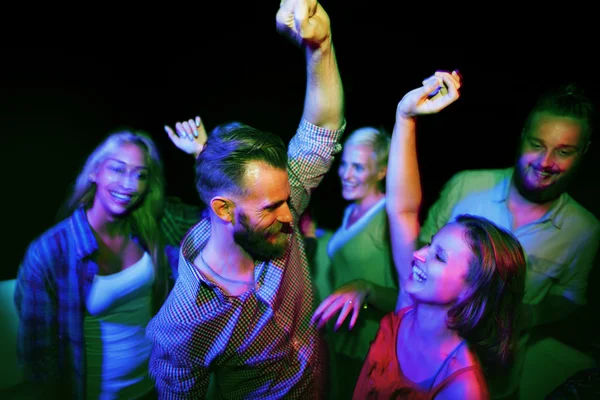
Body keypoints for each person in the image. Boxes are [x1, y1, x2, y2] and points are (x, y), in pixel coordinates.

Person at [144, 0, 345, 398]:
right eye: (272, 208)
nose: (291, 216)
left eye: (287, 200)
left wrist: (320, 45)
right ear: (222, 209)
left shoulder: (269, 213)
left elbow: (321, 127)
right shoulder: (183, 323)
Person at [341, 71, 526, 399]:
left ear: (472, 291)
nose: (418, 254)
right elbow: (403, 210)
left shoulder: (461, 387)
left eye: (438, 256)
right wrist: (405, 115)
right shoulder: (407, 304)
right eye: (430, 246)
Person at [418, 80, 600, 397]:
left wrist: (531, 315)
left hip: (497, 382)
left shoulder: (585, 229)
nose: (545, 162)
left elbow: (572, 297)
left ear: (583, 152)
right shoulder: (466, 186)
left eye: (564, 151)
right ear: (521, 138)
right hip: (419, 363)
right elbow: (419, 250)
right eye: (537, 144)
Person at [13, 129, 203, 399]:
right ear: (94, 172)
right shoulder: (51, 251)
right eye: (118, 169)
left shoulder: (154, 225)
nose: (129, 185)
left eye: (141, 174)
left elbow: (218, 221)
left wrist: (202, 152)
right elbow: (37, 355)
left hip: (158, 387)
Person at [310, 126, 398, 399]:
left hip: (370, 352)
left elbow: (405, 297)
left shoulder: (389, 219)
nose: (345, 174)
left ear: (381, 171)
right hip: (339, 345)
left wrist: (367, 291)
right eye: (344, 164)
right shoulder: (351, 210)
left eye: (357, 167)